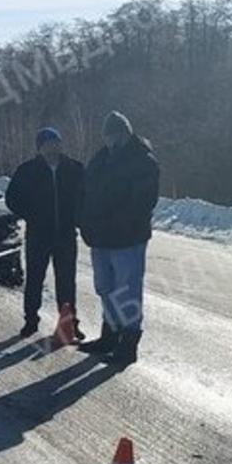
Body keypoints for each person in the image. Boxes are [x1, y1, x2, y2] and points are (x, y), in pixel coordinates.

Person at [78, 111, 159, 366]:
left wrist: (117, 223)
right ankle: (110, 334)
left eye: (117, 135)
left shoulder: (142, 160)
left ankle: (129, 342)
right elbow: (86, 194)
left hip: (128, 238)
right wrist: (85, 222)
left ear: (127, 133)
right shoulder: (99, 160)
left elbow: (142, 202)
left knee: (127, 291)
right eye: (108, 135)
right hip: (101, 238)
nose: (112, 140)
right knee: (105, 287)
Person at [5, 127, 85, 339]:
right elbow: (12, 198)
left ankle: (68, 325)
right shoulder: (28, 170)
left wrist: (79, 218)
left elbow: (87, 197)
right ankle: (31, 320)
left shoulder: (74, 169)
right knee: (34, 279)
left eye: (56, 142)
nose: (53, 147)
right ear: (40, 147)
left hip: (66, 234)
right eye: (48, 143)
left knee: (67, 281)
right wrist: (31, 215)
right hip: (38, 235)